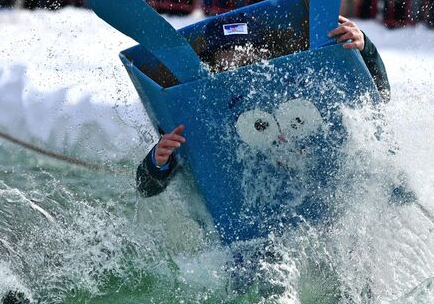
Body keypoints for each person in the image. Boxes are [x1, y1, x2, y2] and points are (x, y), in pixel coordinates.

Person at [136, 16, 390, 199]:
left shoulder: (297, 91)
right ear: (210, 69)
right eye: (226, 68)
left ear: (265, 59)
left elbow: (378, 96)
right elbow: (145, 189)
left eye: (247, 62)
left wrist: (364, 49)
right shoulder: (204, 112)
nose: (238, 75)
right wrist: (158, 162)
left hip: (320, 202)